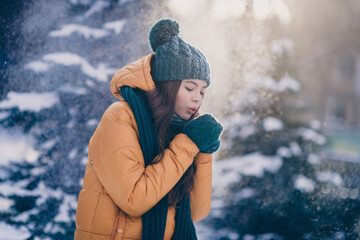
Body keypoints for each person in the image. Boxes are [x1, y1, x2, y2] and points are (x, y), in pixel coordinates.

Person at [74, 18, 223, 240]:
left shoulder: (182, 132)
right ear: (168, 85)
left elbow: (196, 211)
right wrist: (188, 144)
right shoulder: (121, 117)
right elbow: (134, 199)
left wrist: (203, 152)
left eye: (202, 91)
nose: (197, 98)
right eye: (190, 87)